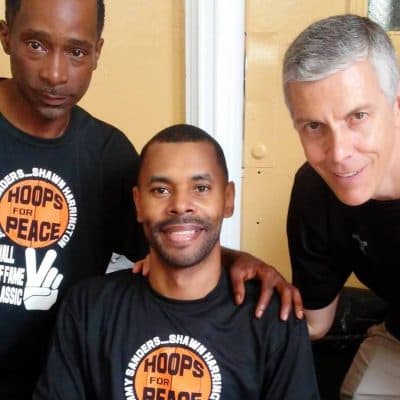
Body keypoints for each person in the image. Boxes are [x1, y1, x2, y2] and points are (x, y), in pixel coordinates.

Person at [0, 1, 301, 398]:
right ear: (5, 37)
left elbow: (172, 236)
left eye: (76, 52)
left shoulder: (108, 155)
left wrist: (238, 260)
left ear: (97, 52)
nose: (55, 74)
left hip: (53, 376)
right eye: (36, 45)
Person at [33, 124, 319, 400]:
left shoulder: (274, 317)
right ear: (138, 203)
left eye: (201, 188)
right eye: (161, 190)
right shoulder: (89, 308)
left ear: (228, 198)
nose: (181, 205)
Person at [283, 14, 400, 399]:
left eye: (358, 116)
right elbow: (314, 323)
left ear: (396, 107)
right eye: (314, 127)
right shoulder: (315, 192)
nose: (339, 154)